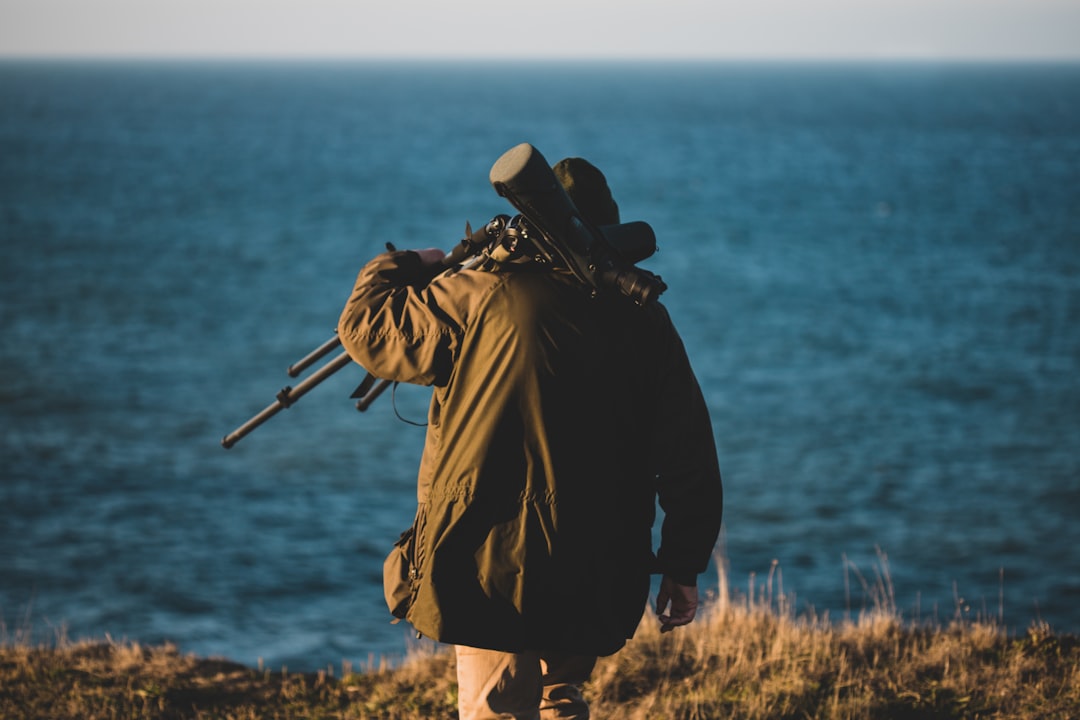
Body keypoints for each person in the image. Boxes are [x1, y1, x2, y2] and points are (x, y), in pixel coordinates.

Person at [337, 150, 723, 720]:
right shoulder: (643, 315)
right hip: (599, 559)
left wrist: (406, 263)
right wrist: (683, 567)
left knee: (495, 708)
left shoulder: (474, 294)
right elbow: (689, 454)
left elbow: (365, 327)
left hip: (485, 558)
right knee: (559, 699)